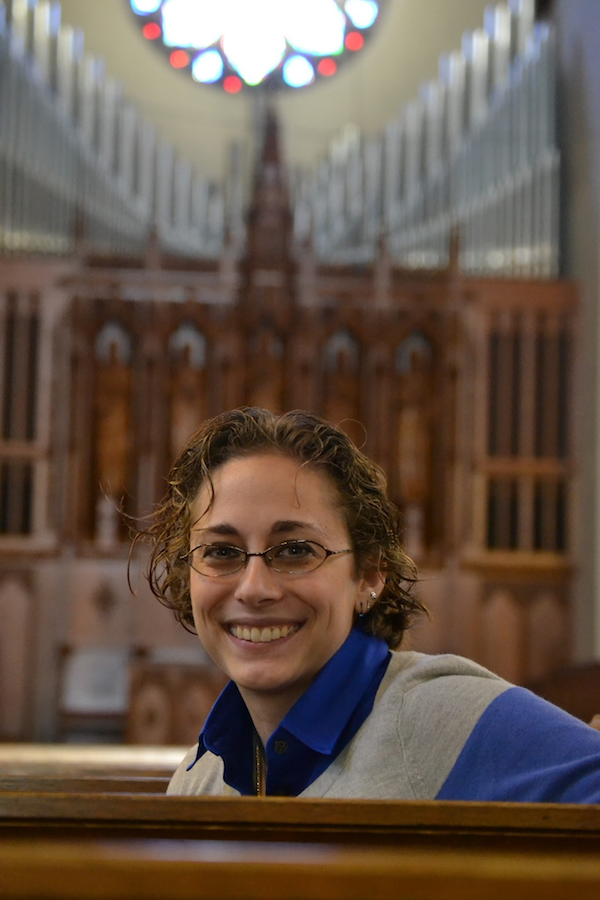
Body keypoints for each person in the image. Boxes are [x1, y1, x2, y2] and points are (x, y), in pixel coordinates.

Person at [142, 407, 600, 800]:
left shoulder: (438, 717)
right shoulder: (199, 779)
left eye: (296, 550)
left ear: (369, 574)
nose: (254, 588)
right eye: (221, 552)